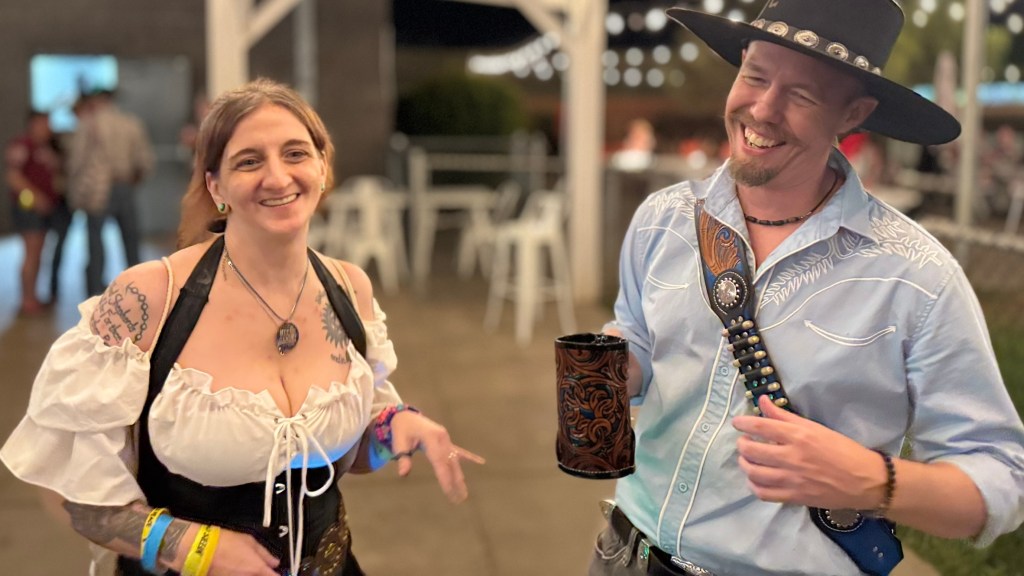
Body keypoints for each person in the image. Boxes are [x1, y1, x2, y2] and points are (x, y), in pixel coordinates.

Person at [591, 1, 1024, 575]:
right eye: (755, 75)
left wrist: (870, 481)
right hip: (621, 555)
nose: (762, 109)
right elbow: (641, 336)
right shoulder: (662, 218)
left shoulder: (918, 278)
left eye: (802, 95)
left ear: (854, 113)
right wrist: (620, 365)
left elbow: (1001, 477)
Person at [1, 78, 484, 576]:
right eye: (249, 161)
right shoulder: (151, 297)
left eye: (296, 153)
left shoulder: (349, 288)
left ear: (322, 168)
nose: (277, 177)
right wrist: (192, 547)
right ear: (216, 186)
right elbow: (72, 495)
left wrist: (392, 428)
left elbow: (345, 450)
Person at [4, 110, 61, 315]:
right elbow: (13, 177)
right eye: (43, 124)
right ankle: (27, 300)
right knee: (31, 254)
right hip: (28, 208)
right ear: (32, 124)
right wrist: (36, 198)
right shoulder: (23, 145)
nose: (47, 128)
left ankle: (32, 296)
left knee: (38, 254)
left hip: (43, 208)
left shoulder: (45, 147)